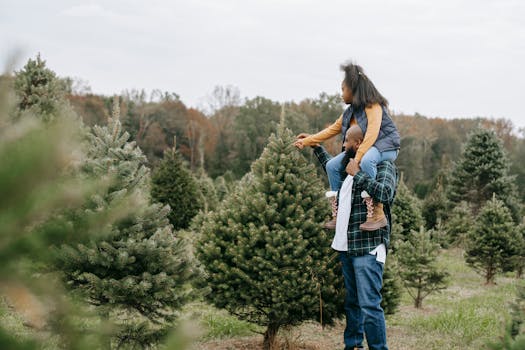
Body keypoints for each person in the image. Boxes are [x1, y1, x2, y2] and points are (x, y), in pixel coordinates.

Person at [313, 125, 398, 350]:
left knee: (370, 304)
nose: (343, 146)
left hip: (368, 247)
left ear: (358, 143)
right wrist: (316, 146)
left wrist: (358, 174)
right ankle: (353, 346)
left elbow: (386, 194)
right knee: (352, 303)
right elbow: (330, 167)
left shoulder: (382, 165)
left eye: (346, 142)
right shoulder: (350, 167)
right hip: (346, 246)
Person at [294, 62, 400, 231]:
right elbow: (331, 130)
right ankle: (338, 214)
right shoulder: (349, 113)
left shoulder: (373, 106)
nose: (341, 94)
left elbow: (372, 135)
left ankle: (377, 213)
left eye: (343, 89)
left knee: (366, 161)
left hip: (386, 147)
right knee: (332, 165)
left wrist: (356, 160)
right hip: (365, 150)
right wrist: (308, 141)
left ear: (353, 89)